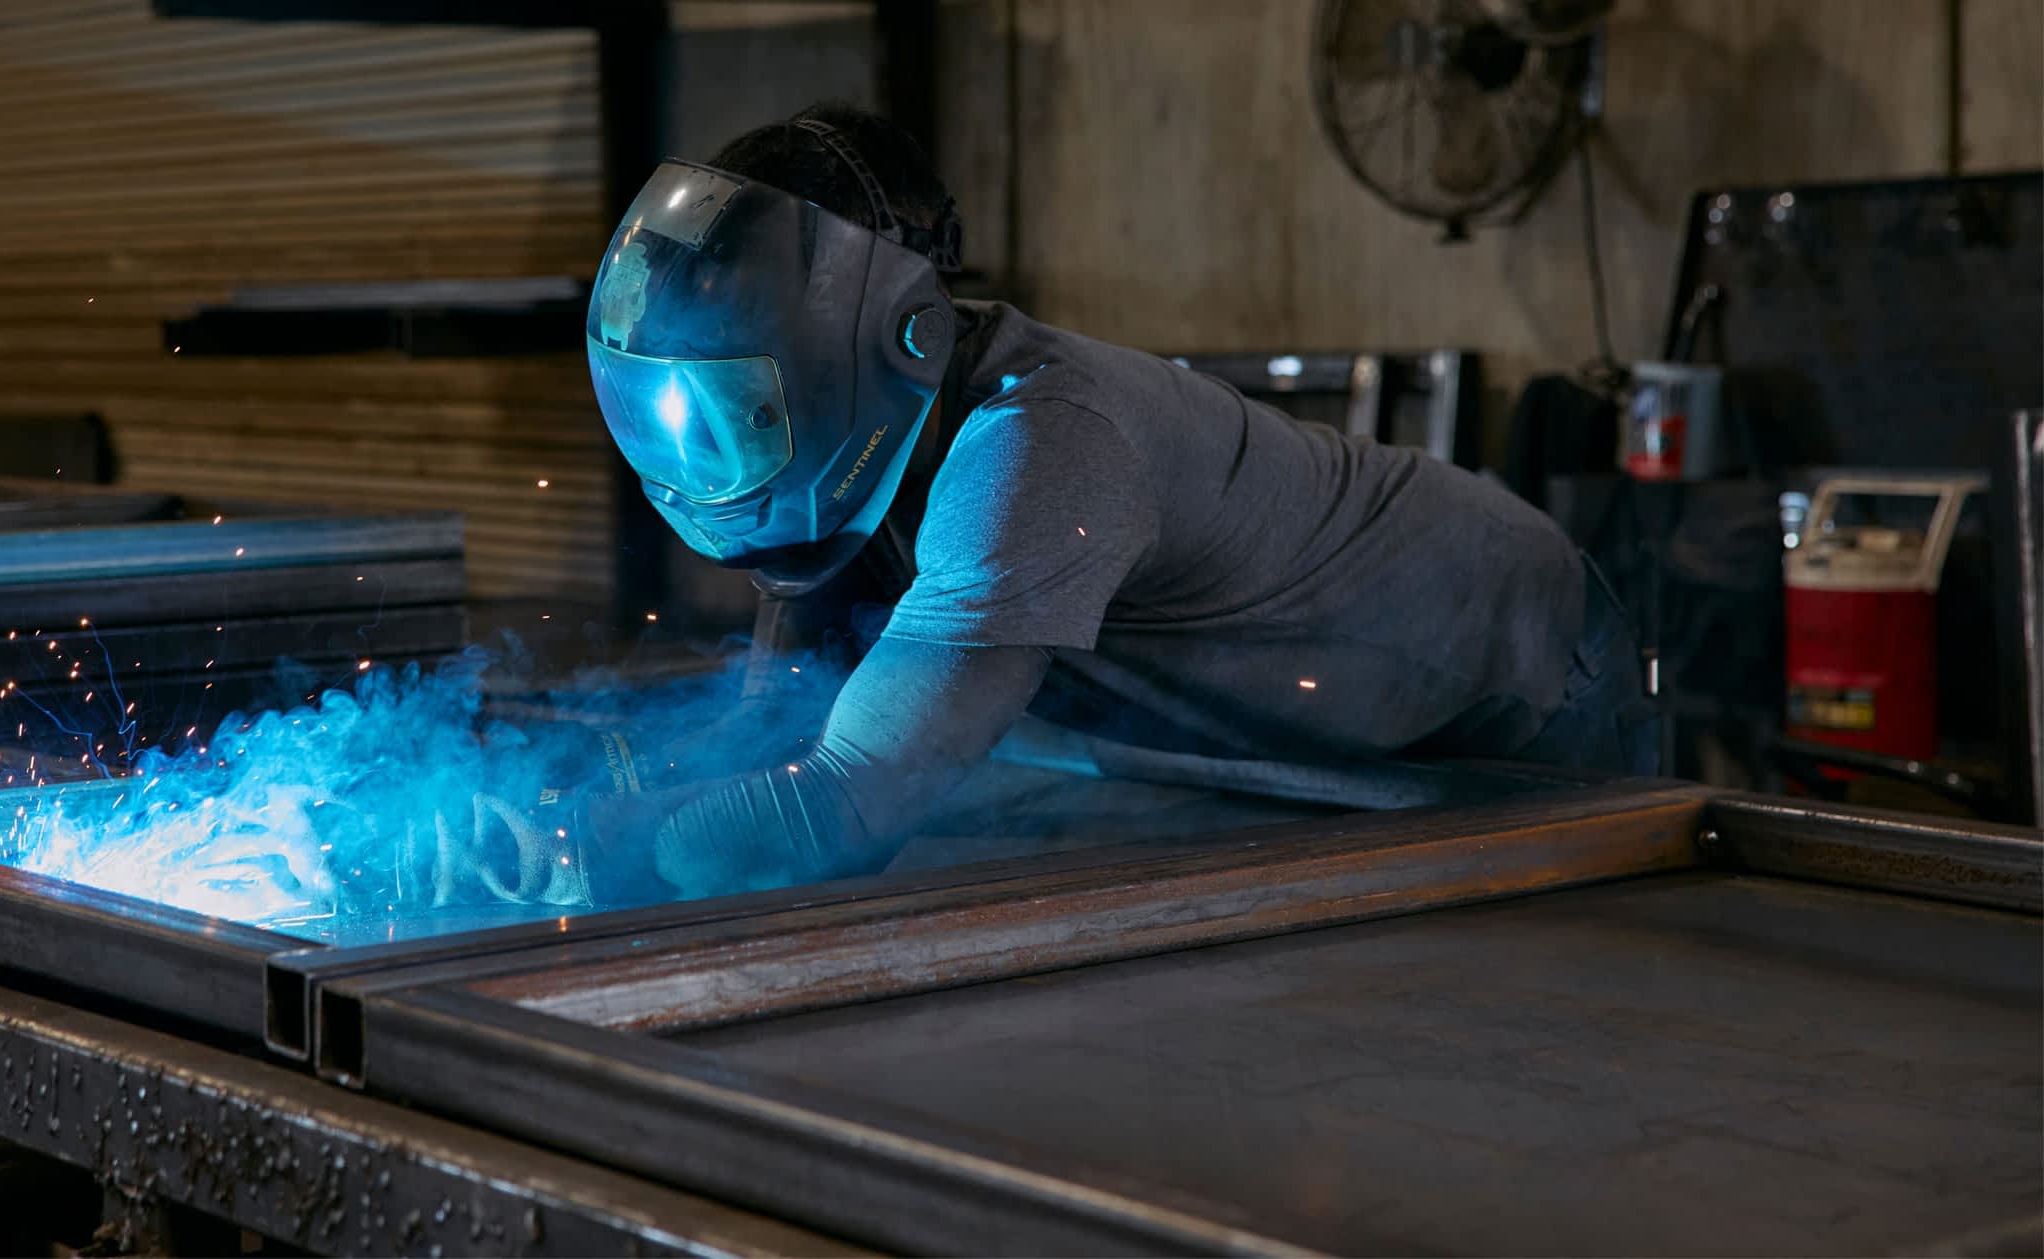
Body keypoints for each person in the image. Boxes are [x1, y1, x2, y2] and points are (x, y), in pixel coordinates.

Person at [574, 102, 1656, 906]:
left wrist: (572, 852)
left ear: (890, 341)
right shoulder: (870, 450)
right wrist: (586, 789)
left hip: (1520, 662)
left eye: (737, 413)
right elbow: (775, 729)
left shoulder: (1039, 448)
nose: (707, 455)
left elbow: (846, 801)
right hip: (1331, 721)